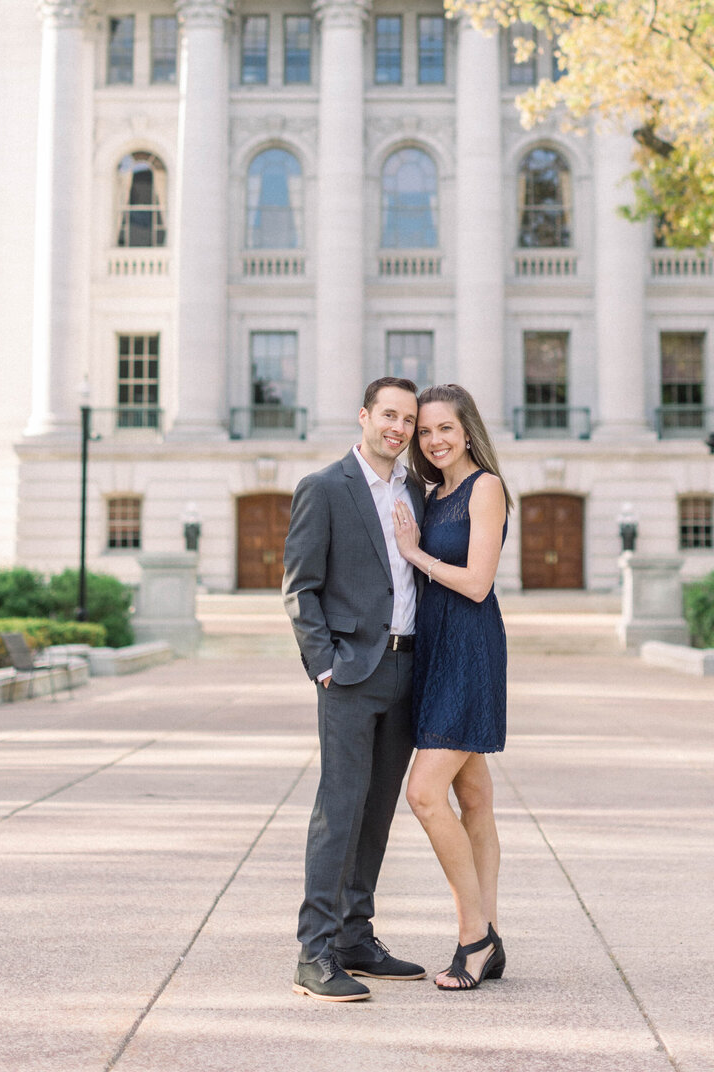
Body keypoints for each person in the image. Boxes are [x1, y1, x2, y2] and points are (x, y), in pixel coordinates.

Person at [282, 376, 428, 1003]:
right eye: (389, 415)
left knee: (377, 810)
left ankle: (354, 937)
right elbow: (300, 586)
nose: (398, 428)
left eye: (408, 420)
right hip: (350, 672)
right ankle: (313, 953)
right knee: (339, 808)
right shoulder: (325, 488)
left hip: (406, 669)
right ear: (364, 415)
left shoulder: (417, 490)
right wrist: (324, 662)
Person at [391, 383, 510, 992]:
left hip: (469, 648)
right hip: (434, 651)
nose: (435, 440)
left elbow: (479, 584)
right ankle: (489, 933)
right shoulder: (430, 493)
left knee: (425, 794)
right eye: (425, 431)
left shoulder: (485, 488)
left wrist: (414, 552)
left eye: (446, 428)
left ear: (468, 430)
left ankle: (474, 936)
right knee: (476, 799)